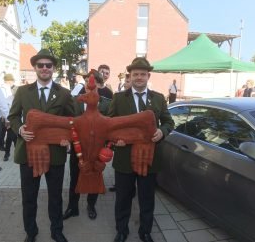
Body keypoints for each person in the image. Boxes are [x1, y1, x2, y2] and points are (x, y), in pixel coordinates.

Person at [8, 49, 75, 242]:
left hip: (55, 152)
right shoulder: (22, 92)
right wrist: (20, 129)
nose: (44, 68)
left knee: (55, 196)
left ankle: (57, 230)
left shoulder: (63, 93)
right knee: (29, 196)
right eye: (41, 65)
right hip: (28, 151)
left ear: (53, 68)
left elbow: (72, 120)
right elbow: (13, 117)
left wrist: (68, 138)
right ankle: (31, 232)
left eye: (48, 65)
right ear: (35, 68)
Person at [108, 57, 174, 242]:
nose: (138, 77)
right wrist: (114, 140)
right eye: (135, 74)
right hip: (124, 156)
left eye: (142, 74)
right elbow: (110, 124)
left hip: (150, 157)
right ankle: (121, 230)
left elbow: (169, 122)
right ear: (130, 76)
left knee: (147, 198)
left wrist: (162, 131)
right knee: (123, 198)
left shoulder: (159, 98)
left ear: (148, 76)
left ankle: (145, 231)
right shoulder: (119, 98)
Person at [63, 70, 111, 221]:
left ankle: (91, 205)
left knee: (95, 176)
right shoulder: (76, 100)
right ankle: (73, 206)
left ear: (98, 84)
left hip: (97, 151)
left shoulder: (106, 103)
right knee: (74, 178)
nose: (89, 86)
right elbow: (67, 121)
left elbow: (110, 127)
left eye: (94, 83)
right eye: (86, 82)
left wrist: (108, 148)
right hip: (78, 150)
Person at [1, 73, 18, 161]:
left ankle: (15, 153)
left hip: (17, 119)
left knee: (14, 137)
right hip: (10, 118)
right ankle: (8, 153)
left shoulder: (17, 90)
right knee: (10, 137)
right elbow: (5, 108)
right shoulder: (7, 97)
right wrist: (7, 120)